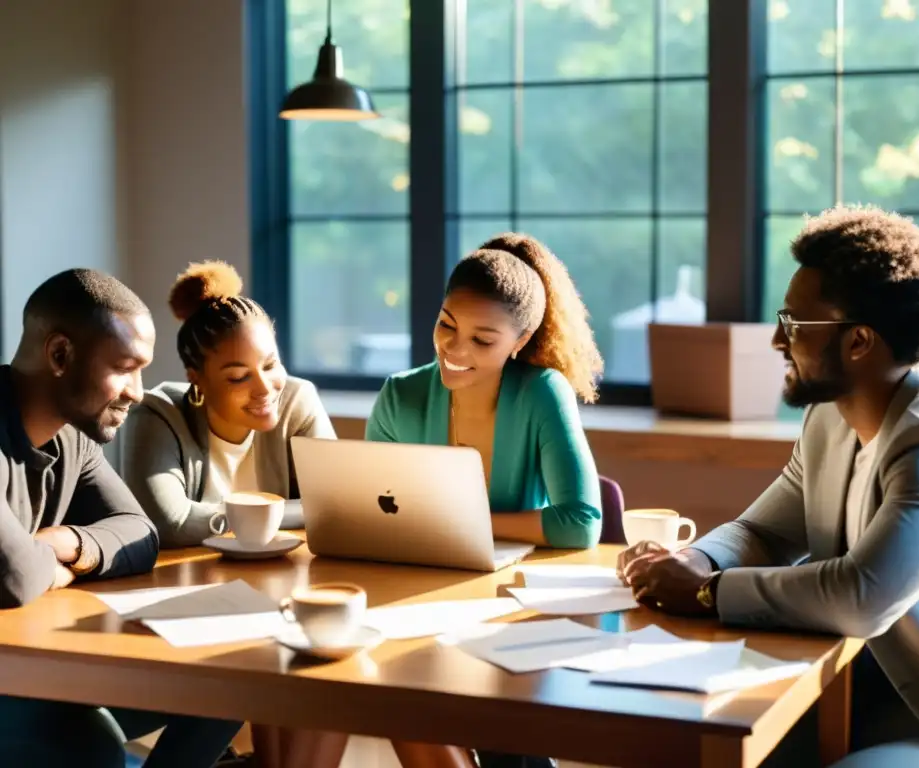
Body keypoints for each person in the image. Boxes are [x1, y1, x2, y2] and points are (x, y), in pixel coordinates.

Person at [617, 206, 919, 768]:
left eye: (794, 325)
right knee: (662, 741)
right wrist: (694, 557)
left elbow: (862, 597)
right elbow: (763, 529)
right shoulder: (831, 415)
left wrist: (708, 592)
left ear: (859, 342)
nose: (777, 342)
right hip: (852, 692)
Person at [366, 232, 605, 767]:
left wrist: (464, 522)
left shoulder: (542, 392)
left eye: (483, 339)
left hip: (512, 606)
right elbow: (371, 511)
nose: (455, 349)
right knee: (397, 697)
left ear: (519, 342)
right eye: (447, 325)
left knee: (504, 739)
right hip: (418, 600)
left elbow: (581, 520)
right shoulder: (399, 395)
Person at [0, 268, 242, 767]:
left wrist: (65, 542)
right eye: (125, 367)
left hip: (31, 660)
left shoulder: (73, 437)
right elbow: (15, 576)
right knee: (94, 743)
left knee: (232, 683)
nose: (137, 390)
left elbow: (139, 535)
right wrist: (42, 561)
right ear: (61, 354)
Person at [120, 261, 345, 768]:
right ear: (196, 378)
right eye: (238, 376)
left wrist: (243, 521)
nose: (265, 388)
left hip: (274, 593)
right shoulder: (158, 415)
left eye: (271, 364)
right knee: (234, 684)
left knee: (318, 675)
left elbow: (335, 504)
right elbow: (170, 522)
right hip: (181, 600)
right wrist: (283, 514)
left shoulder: (297, 400)